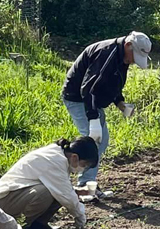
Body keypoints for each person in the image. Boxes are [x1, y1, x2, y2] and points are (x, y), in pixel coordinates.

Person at [62, 31, 152, 197]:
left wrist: (120, 103)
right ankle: (80, 185)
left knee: (102, 142)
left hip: (92, 101)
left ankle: (88, 184)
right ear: (128, 45)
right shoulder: (106, 53)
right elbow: (88, 89)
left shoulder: (122, 57)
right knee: (92, 142)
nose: (133, 61)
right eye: (135, 56)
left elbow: (111, 84)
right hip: (78, 99)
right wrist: (93, 119)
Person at [0, 137, 99, 229]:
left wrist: (77, 191)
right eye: (84, 165)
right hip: (5, 201)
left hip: (19, 194)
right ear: (75, 157)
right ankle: (28, 227)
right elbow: (66, 195)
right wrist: (81, 218)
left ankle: (38, 225)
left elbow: (62, 188)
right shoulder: (55, 161)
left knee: (55, 192)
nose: (83, 168)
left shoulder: (58, 156)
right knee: (46, 192)